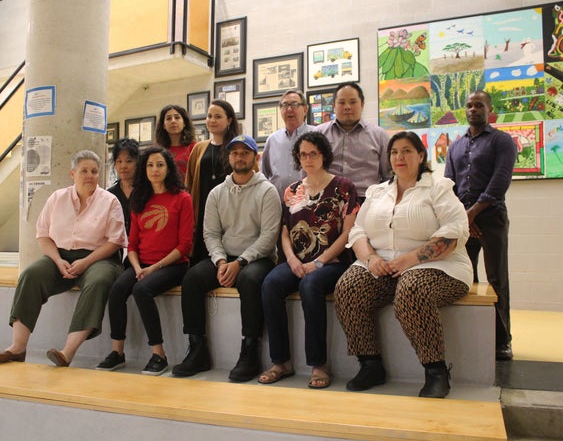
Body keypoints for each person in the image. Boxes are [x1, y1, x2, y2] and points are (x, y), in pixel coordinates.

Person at [334, 131, 473, 398]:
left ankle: (436, 371)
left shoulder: (438, 187)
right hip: (383, 265)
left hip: (439, 266)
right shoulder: (377, 192)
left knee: (412, 289)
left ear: (421, 156)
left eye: (407, 151)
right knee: (348, 288)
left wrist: (410, 260)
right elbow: (358, 232)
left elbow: (455, 231)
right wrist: (371, 259)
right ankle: (370, 364)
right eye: (395, 152)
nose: (400, 157)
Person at [0, 150, 127, 367]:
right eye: (84, 171)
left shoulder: (110, 201)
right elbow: (43, 235)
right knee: (31, 275)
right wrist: (58, 260)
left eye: (94, 171)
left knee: (98, 281)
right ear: (72, 174)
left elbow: (115, 242)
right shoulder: (57, 198)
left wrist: (85, 262)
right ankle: (17, 347)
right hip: (59, 256)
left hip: (99, 258)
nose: (89, 175)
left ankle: (67, 352)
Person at [172, 135, 281, 382]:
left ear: (255, 158)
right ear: (228, 157)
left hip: (257, 258)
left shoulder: (267, 191)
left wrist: (240, 262)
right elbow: (210, 233)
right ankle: (197, 348)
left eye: (245, 152)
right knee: (192, 278)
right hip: (225, 257)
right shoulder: (217, 193)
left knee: (249, 281)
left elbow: (269, 236)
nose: (239, 156)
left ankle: (249, 350)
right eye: (235, 152)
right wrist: (221, 261)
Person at [259, 132, 358, 389]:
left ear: (324, 154)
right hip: (298, 261)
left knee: (310, 285)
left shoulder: (344, 187)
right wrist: (291, 260)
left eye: (313, 153)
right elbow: (283, 231)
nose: (308, 158)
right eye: (303, 154)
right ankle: (281, 361)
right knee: (270, 284)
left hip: (334, 262)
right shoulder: (291, 191)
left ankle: (318, 364)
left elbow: (349, 232)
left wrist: (320, 262)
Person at [96, 147, 194, 375]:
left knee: (141, 290)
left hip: (173, 265)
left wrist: (153, 268)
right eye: (150, 165)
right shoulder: (140, 199)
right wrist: (139, 267)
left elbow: (184, 245)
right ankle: (117, 352)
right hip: (142, 263)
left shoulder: (182, 198)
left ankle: (158, 355)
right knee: (118, 288)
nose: (155, 170)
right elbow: (132, 244)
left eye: (160, 164)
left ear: (168, 168)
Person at [444, 90, 517, 361]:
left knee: (497, 279)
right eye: (469, 105)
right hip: (464, 221)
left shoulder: (502, 141)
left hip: (492, 218)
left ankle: (502, 340)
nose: (473, 109)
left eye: (479, 105)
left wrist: (473, 213)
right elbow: (448, 183)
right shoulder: (455, 146)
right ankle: (475, 339)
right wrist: (463, 216)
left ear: (489, 109)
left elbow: (500, 181)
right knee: (465, 278)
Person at [185, 99, 242, 264]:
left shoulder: (238, 148)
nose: (212, 120)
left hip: (231, 212)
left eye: (218, 116)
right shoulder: (199, 148)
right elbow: (189, 182)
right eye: (209, 116)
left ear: (229, 120)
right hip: (203, 210)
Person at [315, 82, 390, 202]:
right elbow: (308, 172)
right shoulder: (318, 134)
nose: (347, 107)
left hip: (367, 200)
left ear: (362, 104)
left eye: (353, 102)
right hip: (326, 200)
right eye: (342, 102)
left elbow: (388, 177)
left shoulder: (379, 136)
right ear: (334, 105)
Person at [261, 90, 316, 198]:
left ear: (305, 109)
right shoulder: (272, 140)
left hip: (309, 203)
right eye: (285, 105)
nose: (289, 109)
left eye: (295, 104)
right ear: (280, 110)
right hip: (278, 203)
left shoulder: (317, 135)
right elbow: (265, 175)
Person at [154, 104, 197, 179]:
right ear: (163, 125)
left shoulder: (195, 148)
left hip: (189, 190)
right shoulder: (157, 150)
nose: (173, 121)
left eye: (177, 117)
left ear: (184, 123)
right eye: (168, 118)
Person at [108, 138, 139, 235]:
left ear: (138, 163)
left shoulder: (145, 190)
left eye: (129, 161)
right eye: (119, 161)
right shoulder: (110, 194)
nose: (123, 166)